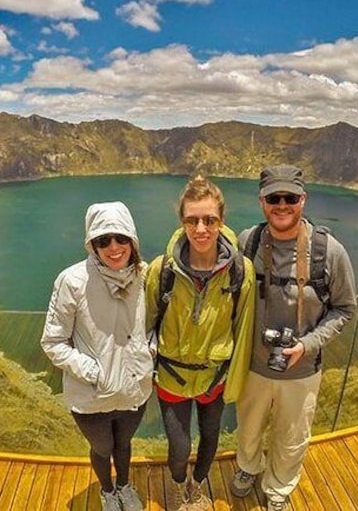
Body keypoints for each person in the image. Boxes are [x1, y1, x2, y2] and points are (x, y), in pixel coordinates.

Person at [230, 165, 357, 511]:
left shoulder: (329, 252)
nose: (282, 205)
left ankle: (278, 490)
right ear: (262, 201)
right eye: (274, 198)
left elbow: (344, 309)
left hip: (301, 369)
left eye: (290, 197)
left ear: (303, 199)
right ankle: (248, 468)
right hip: (254, 365)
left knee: (292, 438)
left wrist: (308, 344)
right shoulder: (247, 242)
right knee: (249, 427)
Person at [145, 175, 255, 511]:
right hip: (171, 376)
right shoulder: (161, 270)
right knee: (179, 447)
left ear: (222, 221)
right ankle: (179, 486)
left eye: (210, 220)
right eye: (192, 220)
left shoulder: (240, 271)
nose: (201, 229)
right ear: (182, 222)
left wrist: (234, 383)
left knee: (210, 438)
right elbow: (146, 323)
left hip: (214, 377)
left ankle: (197, 484)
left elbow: (244, 329)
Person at [42, 202, 153, 511]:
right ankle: (108, 491)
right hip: (92, 395)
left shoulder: (146, 278)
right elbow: (52, 341)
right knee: (102, 447)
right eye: (103, 240)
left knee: (124, 444)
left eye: (120, 238)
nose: (114, 247)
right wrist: (93, 372)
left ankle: (124, 486)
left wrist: (148, 354)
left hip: (133, 389)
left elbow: (154, 325)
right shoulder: (73, 281)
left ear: (132, 240)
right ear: (92, 245)